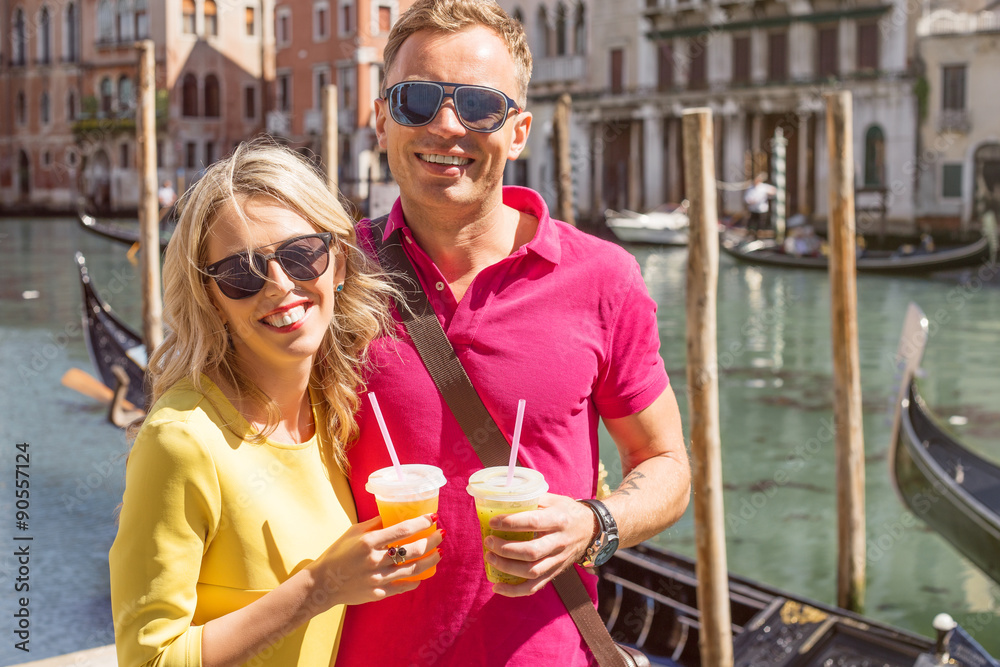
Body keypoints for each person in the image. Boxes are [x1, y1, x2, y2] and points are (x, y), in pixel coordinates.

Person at [338, 2, 691, 665]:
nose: (447, 125)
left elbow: (667, 464)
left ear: (519, 129)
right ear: (382, 118)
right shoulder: (329, 277)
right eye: (417, 100)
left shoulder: (605, 278)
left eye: (478, 106)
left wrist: (594, 522)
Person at [109, 143, 444, 666]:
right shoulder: (181, 440)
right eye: (241, 273)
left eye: (300, 253)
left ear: (336, 261)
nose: (280, 285)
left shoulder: (335, 406)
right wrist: (320, 585)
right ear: (211, 298)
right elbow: (148, 660)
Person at [744, 172, 777, 236]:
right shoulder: (750, 187)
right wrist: (751, 201)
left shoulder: (763, 187)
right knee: (751, 222)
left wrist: (770, 193)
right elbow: (746, 198)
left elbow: (773, 190)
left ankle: (758, 235)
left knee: (760, 223)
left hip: (761, 208)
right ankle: (750, 233)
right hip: (753, 208)